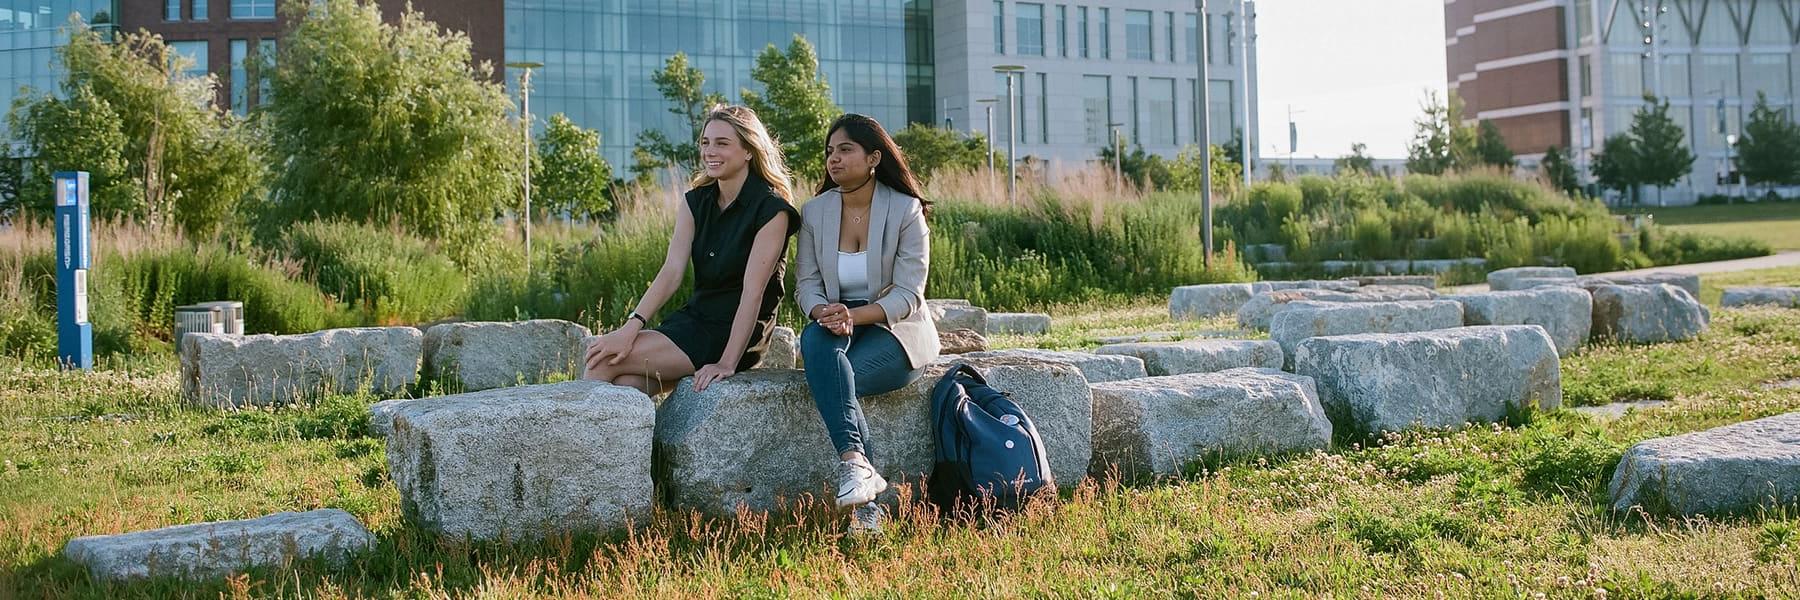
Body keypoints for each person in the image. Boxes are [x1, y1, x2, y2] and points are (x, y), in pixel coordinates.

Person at [583, 105, 798, 395]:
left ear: (749, 151)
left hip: (734, 332)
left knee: (603, 360)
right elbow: (671, 272)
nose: (710, 151)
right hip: (694, 319)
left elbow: (753, 293)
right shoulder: (696, 202)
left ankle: (575, 440)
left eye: (722, 143)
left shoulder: (772, 210)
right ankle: (632, 441)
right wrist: (630, 327)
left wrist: (726, 363)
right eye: (706, 142)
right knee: (626, 385)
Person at [794, 113, 939, 533]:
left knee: (840, 382)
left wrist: (854, 316)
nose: (832, 160)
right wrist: (821, 311)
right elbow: (806, 284)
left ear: (874, 157)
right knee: (817, 344)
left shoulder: (905, 209)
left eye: (845, 150)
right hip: (833, 324)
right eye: (828, 152)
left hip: (895, 329)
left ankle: (865, 506)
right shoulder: (814, 211)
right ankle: (858, 469)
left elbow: (909, 294)